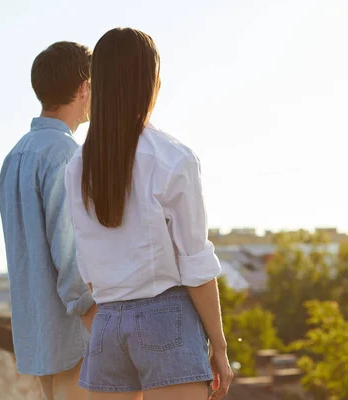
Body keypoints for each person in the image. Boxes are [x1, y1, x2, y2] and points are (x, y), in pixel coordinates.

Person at [64, 28, 234, 400]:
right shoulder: (173, 157)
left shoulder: (77, 165)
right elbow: (196, 263)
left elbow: (88, 268)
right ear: (151, 81)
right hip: (166, 319)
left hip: (106, 324)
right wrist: (219, 348)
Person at [0, 42, 97, 400]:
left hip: (35, 330)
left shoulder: (14, 155)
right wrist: (94, 318)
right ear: (85, 86)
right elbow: (68, 249)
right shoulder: (65, 153)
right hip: (72, 331)